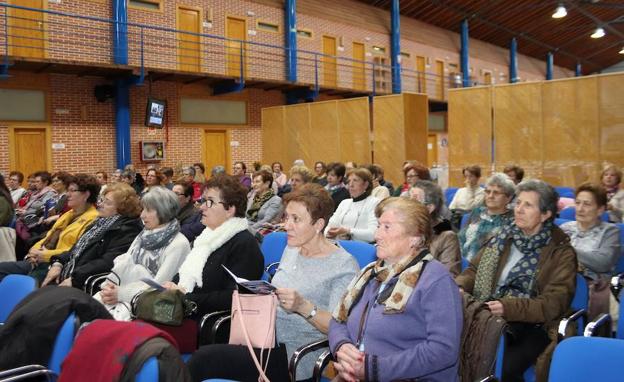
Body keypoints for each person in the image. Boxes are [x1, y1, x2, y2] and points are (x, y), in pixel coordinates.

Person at [186, 184, 359, 381]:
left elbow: (339, 327)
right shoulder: (293, 249)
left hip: (294, 354)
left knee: (203, 360)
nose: (286, 225)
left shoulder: (343, 266)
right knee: (204, 351)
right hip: (261, 338)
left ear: (318, 224)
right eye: (286, 217)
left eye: (296, 219)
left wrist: (303, 307)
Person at [329, 197, 463, 382]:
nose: (377, 235)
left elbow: (443, 350)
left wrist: (372, 369)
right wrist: (342, 346)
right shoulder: (371, 273)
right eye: (378, 226)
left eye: (387, 227)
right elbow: (338, 320)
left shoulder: (435, 280)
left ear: (415, 237)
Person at [455, 179, 577, 382]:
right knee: (454, 352)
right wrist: (458, 287)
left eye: (528, 205)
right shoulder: (504, 237)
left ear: (545, 214)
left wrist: (507, 308)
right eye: (518, 203)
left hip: (534, 325)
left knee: (502, 366)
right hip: (488, 314)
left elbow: (554, 304)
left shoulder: (560, 253)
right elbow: (474, 270)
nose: (518, 210)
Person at [164, 175, 264, 318]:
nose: (202, 207)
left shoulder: (244, 244)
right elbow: (186, 272)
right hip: (185, 312)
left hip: (210, 323)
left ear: (230, 210)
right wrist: (172, 286)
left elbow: (234, 297)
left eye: (210, 202)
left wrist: (186, 297)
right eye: (204, 201)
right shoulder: (207, 237)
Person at [95, 186, 190, 321]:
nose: (142, 215)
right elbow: (124, 264)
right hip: (122, 295)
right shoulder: (144, 234)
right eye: (143, 209)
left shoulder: (179, 244)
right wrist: (111, 286)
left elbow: (159, 286)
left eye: (148, 210)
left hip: (148, 307)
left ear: (164, 212)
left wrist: (121, 293)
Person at [41, 183, 142, 290]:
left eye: (107, 202)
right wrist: (58, 263)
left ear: (122, 208)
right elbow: (75, 249)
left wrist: (74, 278)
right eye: (102, 200)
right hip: (69, 273)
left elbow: (107, 262)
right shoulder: (99, 222)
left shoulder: (127, 230)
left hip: (83, 283)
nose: (100, 204)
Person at [0, 174, 100, 281]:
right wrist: (33, 251)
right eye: (68, 190)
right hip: (39, 260)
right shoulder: (69, 214)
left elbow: (76, 250)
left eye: (72, 191)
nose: (67, 194)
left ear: (86, 195)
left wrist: (45, 254)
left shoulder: (93, 219)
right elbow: (48, 236)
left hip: (56, 264)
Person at [561, 183, 620, 318]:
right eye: (578, 203)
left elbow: (602, 262)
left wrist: (567, 250)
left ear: (600, 209)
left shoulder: (610, 232)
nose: (580, 209)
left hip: (592, 286)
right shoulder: (564, 228)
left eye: (587, 204)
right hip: (561, 282)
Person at [458, 173, 515, 261]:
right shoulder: (477, 212)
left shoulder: (512, 220)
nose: (490, 196)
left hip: (485, 267)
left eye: (496, 193)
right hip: (461, 261)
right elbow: (461, 238)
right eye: (488, 191)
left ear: (508, 198)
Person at [409, 180, 461, 275]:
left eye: (414, 200)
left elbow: (447, 277)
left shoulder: (446, 237)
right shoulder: (404, 230)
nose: (407, 205)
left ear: (429, 208)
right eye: (408, 198)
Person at [325, 168, 380, 243]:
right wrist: (329, 233)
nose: (350, 185)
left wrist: (348, 231)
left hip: (361, 248)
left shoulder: (374, 202)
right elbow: (329, 226)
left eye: (355, 180)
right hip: (339, 246)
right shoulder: (344, 203)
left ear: (366, 184)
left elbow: (373, 234)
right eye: (349, 181)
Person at [247, 170, 282, 235]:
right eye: (253, 182)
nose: (253, 185)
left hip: (261, 231)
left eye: (257, 182)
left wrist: (248, 229)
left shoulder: (275, 200)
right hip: (248, 228)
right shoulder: (253, 197)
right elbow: (246, 216)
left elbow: (267, 219)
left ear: (267, 183)